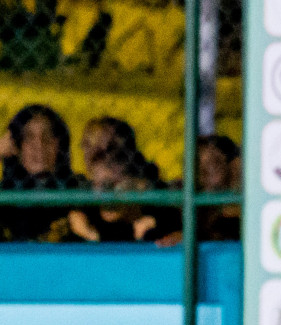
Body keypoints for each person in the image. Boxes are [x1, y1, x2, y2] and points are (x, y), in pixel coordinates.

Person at [68, 116, 173, 243]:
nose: (91, 152)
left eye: (102, 144)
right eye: (87, 145)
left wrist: (155, 222)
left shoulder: (150, 190)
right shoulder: (83, 191)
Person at [0, 104, 79, 241]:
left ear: (59, 143)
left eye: (48, 135)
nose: (40, 145)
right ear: (16, 146)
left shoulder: (78, 189)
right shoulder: (6, 194)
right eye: (29, 137)